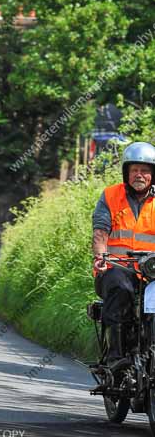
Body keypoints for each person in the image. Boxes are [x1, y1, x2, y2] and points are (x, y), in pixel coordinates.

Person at [92, 141, 155, 364]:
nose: (139, 175)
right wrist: (100, 257)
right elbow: (101, 231)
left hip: (152, 272)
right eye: (134, 170)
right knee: (121, 290)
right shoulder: (111, 196)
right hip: (117, 268)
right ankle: (115, 357)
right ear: (126, 172)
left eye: (145, 170)